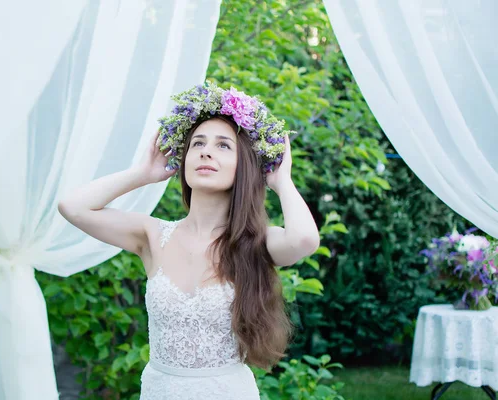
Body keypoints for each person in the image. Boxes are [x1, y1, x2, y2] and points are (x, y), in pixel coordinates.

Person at [58, 83, 320, 399]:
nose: (206, 151)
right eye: (198, 143)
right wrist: (142, 173)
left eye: (223, 145)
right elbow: (72, 207)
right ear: (184, 160)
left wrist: (281, 182)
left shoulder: (254, 243)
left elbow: (304, 239)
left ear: (244, 167)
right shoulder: (152, 235)